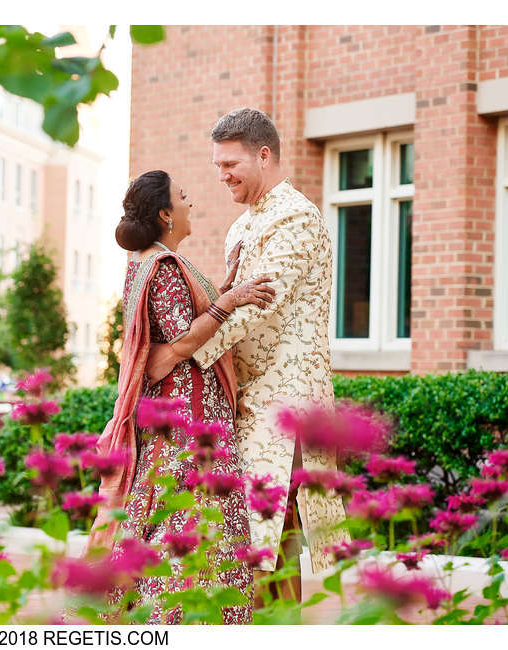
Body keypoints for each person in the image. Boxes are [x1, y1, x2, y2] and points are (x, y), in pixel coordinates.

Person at [146, 108, 350, 605]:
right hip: (242, 401)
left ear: (264, 155)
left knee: (265, 540)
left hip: (285, 405)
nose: (221, 176)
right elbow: (229, 302)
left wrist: (178, 353)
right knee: (256, 545)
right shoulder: (241, 227)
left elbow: (255, 308)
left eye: (230, 164)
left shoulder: (297, 218)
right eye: (217, 166)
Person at [86, 170, 275, 624]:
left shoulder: (147, 261)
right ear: (166, 213)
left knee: (160, 521)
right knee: (192, 529)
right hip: (190, 421)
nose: (191, 203)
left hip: (174, 417)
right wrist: (232, 300)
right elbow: (183, 342)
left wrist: (227, 286)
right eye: (183, 197)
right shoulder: (164, 266)